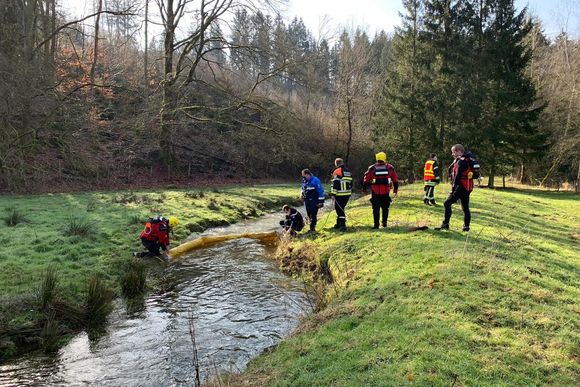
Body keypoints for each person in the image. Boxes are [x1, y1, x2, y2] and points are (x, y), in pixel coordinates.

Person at [437, 144, 479, 232]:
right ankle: (466, 227)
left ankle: (445, 224)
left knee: (447, 203)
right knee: (465, 207)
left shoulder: (461, 161)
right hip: (467, 187)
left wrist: (453, 188)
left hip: (460, 186)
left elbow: (457, 176)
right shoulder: (469, 160)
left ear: (458, 151)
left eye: (453, 152)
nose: (452, 154)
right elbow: (475, 175)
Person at [363, 152, 399, 229]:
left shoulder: (371, 168)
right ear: (384, 158)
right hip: (386, 192)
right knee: (385, 208)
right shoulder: (390, 167)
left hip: (375, 193)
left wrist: (364, 189)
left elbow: (366, 180)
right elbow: (395, 180)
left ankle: (376, 225)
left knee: (375, 209)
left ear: (377, 158)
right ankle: (384, 223)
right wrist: (395, 191)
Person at [330, 158, 353, 231]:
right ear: (342, 163)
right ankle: (338, 223)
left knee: (339, 209)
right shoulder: (348, 171)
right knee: (341, 208)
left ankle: (342, 225)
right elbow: (351, 182)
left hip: (340, 194)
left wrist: (333, 194)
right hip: (347, 193)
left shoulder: (337, 171)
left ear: (336, 163)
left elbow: (336, 183)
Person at [300, 169, 325, 234]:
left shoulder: (315, 180)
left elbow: (320, 191)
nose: (303, 177)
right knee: (309, 214)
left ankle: (312, 229)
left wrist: (321, 201)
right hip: (307, 200)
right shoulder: (304, 180)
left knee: (313, 214)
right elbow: (302, 188)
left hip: (314, 200)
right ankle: (312, 227)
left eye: (304, 176)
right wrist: (301, 194)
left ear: (307, 174)